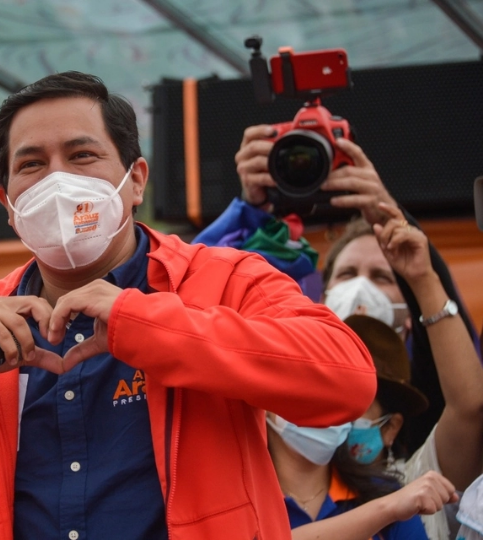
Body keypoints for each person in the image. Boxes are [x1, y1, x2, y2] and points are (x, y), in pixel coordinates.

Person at [0, 71, 377, 540]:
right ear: (7, 203)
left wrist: (141, 321)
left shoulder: (224, 278)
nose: (57, 180)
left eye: (82, 155)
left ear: (136, 180)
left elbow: (346, 379)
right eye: (32, 164)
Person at [206, 124, 483, 538]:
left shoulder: (410, 494)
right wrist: (249, 209)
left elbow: (468, 403)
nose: (331, 401)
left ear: (389, 427)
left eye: (358, 393)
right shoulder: (224, 492)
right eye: (313, 379)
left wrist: (421, 275)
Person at [275, 314, 460, 540]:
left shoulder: (392, 498)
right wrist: (384, 510)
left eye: (340, 392)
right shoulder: (241, 496)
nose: (324, 403)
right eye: (306, 385)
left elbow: (468, 407)